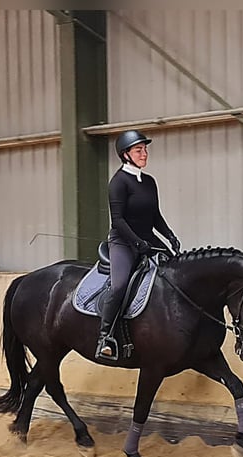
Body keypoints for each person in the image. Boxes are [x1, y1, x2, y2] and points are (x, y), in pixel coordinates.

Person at [96, 129, 181, 359]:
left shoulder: (149, 182)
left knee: (175, 271)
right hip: (123, 242)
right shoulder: (118, 182)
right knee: (120, 285)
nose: (144, 154)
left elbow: (155, 216)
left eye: (145, 149)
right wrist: (137, 242)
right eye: (138, 150)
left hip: (147, 239)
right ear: (126, 154)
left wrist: (169, 237)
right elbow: (118, 220)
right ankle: (105, 337)